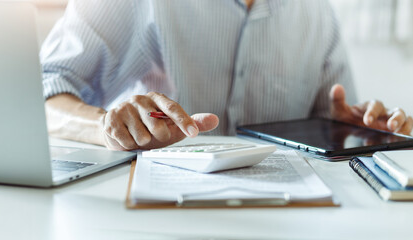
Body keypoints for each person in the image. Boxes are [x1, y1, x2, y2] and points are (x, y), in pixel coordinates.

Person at [41, 0, 412, 151]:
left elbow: (331, 122)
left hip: (288, 219)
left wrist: (353, 128)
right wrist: (107, 126)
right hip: (154, 216)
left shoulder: (317, 12)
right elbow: (41, 91)